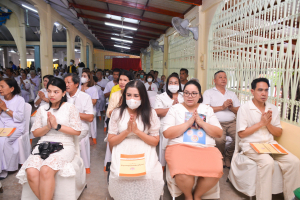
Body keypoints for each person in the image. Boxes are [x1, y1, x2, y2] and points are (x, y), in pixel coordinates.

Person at [16, 78, 82, 199]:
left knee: (46, 169)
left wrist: (57, 126)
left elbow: (77, 131)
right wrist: (48, 127)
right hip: (43, 144)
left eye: (56, 92)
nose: (51, 95)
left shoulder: (70, 108)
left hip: (65, 145)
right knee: (30, 170)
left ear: (63, 93)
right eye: (49, 91)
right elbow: (35, 133)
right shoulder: (42, 109)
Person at [236, 78, 300, 200]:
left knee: (294, 162)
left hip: (270, 144)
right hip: (250, 145)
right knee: (267, 162)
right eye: (260, 90)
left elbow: (278, 132)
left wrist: (268, 124)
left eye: (266, 90)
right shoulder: (244, 108)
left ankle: (291, 198)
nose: (264, 93)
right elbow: (242, 134)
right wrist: (261, 123)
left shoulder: (272, 108)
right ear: (252, 91)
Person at [163, 80, 223, 200]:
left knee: (215, 171)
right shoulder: (175, 109)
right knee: (183, 174)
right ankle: (188, 196)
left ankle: (197, 195)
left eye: (194, 93)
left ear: (200, 95)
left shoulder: (207, 109)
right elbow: (167, 133)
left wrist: (201, 123)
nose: (190, 96)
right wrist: (188, 123)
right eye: (187, 93)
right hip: (179, 147)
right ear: (183, 94)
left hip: (206, 148)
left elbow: (219, 133)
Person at [107, 80, 164, 200]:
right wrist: (127, 131)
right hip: (122, 147)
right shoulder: (117, 113)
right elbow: (111, 140)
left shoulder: (151, 113)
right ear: (124, 96)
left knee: (148, 173)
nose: (132, 99)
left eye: (136, 95)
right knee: (119, 173)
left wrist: (137, 131)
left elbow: (155, 141)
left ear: (142, 96)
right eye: (129, 95)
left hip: (144, 147)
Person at [203, 70, 240, 168]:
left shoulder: (232, 94)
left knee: (240, 137)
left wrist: (231, 108)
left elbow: (239, 110)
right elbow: (205, 110)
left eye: (225, 77)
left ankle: (228, 156)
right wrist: (222, 107)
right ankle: (221, 157)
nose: (223, 79)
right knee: (220, 140)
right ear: (214, 80)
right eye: (220, 77)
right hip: (216, 122)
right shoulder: (209, 93)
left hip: (232, 122)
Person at [154, 73, 183, 167]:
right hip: (165, 124)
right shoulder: (161, 96)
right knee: (165, 148)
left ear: (179, 84)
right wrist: (172, 107)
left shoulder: (184, 96)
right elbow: (157, 112)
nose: (173, 85)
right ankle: (162, 166)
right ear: (167, 84)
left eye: (176, 83)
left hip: (182, 124)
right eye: (171, 83)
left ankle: (179, 165)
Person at [0, 78, 25, 178]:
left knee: (3, 140)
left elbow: (19, 118)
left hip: (16, 126)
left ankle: (6, 168)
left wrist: (5, 109)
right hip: (2, 125)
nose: (0, 89)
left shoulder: (19, 100)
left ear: (11, 89)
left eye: (2, 86)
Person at [64, 73, 94, 142]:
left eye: (68, 82)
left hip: (81, 126)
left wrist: (72, 113)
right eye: (65, 83)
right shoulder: (62, 95)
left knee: (68, 139)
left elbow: (90, 118)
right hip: (64, 125)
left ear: (76, 84)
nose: (66, 85)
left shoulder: (85, 97)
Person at [81, 71, 99, 144]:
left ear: (89, 79)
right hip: (80, 109)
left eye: (85, 76)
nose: (82, 77)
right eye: (82, 75)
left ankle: (91, 137)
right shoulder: (78, 87)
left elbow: (94, 102)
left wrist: (83, 94)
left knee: (88, 116)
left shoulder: (93, 88)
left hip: (91, 109)